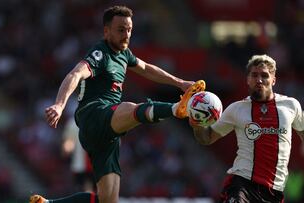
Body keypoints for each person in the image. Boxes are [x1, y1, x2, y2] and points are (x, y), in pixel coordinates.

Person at [30, 5, 205, 203]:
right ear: (107, 31)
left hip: (107, 133)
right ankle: (177, 108)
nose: (126, 34)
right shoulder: (99, 53)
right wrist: (60, 105)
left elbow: (147, 68)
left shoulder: (124, 54)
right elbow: (76, 74)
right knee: (129, 109)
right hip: (94, 115)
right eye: (121, 30)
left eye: (129, 29)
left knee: (108, 200)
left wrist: (180, 83)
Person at [189, 54, 304, 203]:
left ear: (273, 80)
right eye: (254, 75)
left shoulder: (291, 105)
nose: (259, 80)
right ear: (248, 80)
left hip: (274, 190)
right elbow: (206, 138)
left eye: (264, 75)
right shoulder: (236, 109)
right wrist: (197, 124)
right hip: (242, 183)